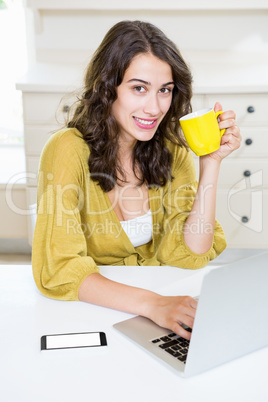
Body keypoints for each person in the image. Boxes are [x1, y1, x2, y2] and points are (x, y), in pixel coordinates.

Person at [32, 20, 241, 340]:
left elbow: (190, 254)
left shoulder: (172, 150)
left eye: (165, 90)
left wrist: (210, 164)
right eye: (139, 88)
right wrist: (154, 305)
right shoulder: (66, 150)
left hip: (162, 304)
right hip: (93, 312)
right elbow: (59, 270)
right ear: (108, 87)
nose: (154, 107)